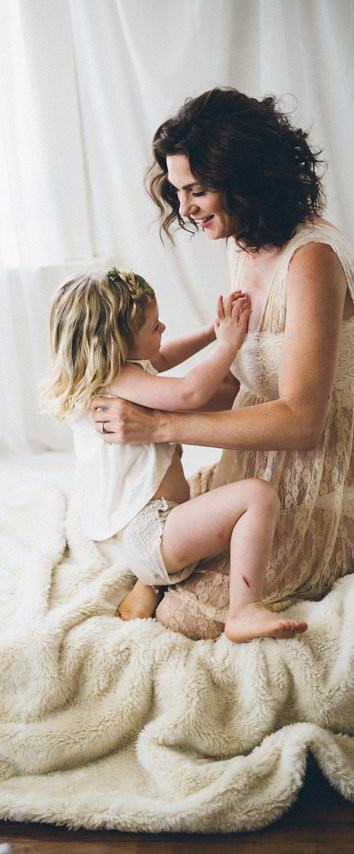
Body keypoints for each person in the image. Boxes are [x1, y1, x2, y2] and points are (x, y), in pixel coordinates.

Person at [90, 87, 354, 640]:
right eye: (178, 190)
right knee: (170, 530)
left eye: (197, 190)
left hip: (327, 460)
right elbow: (242, 380)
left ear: (246, 180)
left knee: (188, 613)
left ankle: (171, 583)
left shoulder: (311, 263)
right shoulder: (244, 242)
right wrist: (139, 395)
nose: (184, 209)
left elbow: (303, 424)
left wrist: (164, 423)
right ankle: (162, 573)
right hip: (260, 455)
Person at [40, 267, 308, 642]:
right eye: (153, 327)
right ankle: (244, 609)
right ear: (117, 344)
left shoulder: (117, 368)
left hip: (154, 535)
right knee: (258, 495)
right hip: (154, 534)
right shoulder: (118, 380)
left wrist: (209, 331)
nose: (163, 328)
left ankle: (148, 585)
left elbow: (160, 359)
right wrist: (227, 344)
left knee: (213, 494)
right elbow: (189, 394)